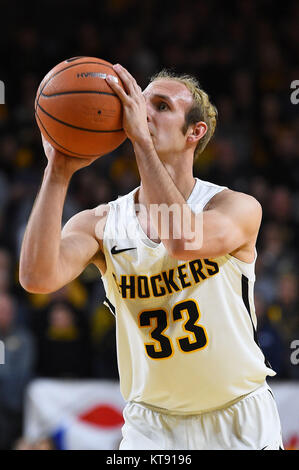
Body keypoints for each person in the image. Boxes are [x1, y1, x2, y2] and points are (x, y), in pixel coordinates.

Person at [19, 64, 283, 450]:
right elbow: (37, 278)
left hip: (237, 419)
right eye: (141, 102)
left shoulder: (234, 207)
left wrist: (142, 144)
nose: (142, 112)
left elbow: (182, 240)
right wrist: (57, 171)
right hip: (152, 428)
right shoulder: (101, 222)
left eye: (161, 106)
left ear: (195, 132)